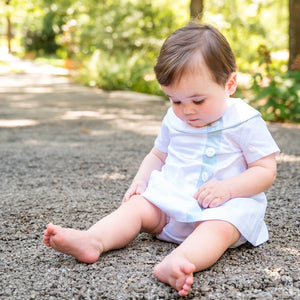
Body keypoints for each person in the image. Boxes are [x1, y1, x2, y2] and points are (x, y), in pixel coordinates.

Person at [43, 22, 280, 296]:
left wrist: (229, 189)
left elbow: (265, 170)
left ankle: (180, 261)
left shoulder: (245, 121)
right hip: (172, 202)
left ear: (230, 84)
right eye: (175, 100)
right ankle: (93, 240)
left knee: (219, 229)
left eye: (198, 101)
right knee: (136, 208)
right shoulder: (174, 119)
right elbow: (158, 154)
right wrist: (140, 181)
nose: (186, 110)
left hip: (224, 207)